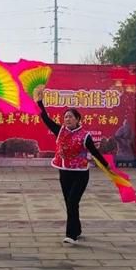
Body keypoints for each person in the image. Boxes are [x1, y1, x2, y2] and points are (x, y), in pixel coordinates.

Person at [36, 88, 110, 245]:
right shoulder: (60, 131)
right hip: (64, 172)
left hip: (80, 174)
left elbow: (95, 152)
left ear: (77, 119)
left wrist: (107, 165)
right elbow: (45, 118)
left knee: (72, 202)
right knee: (70, 203)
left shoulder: (85, 136)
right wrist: (39, 101)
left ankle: (71, 235)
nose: (67, 119)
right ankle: (77, 229)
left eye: (70, 117)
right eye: (65, 117)